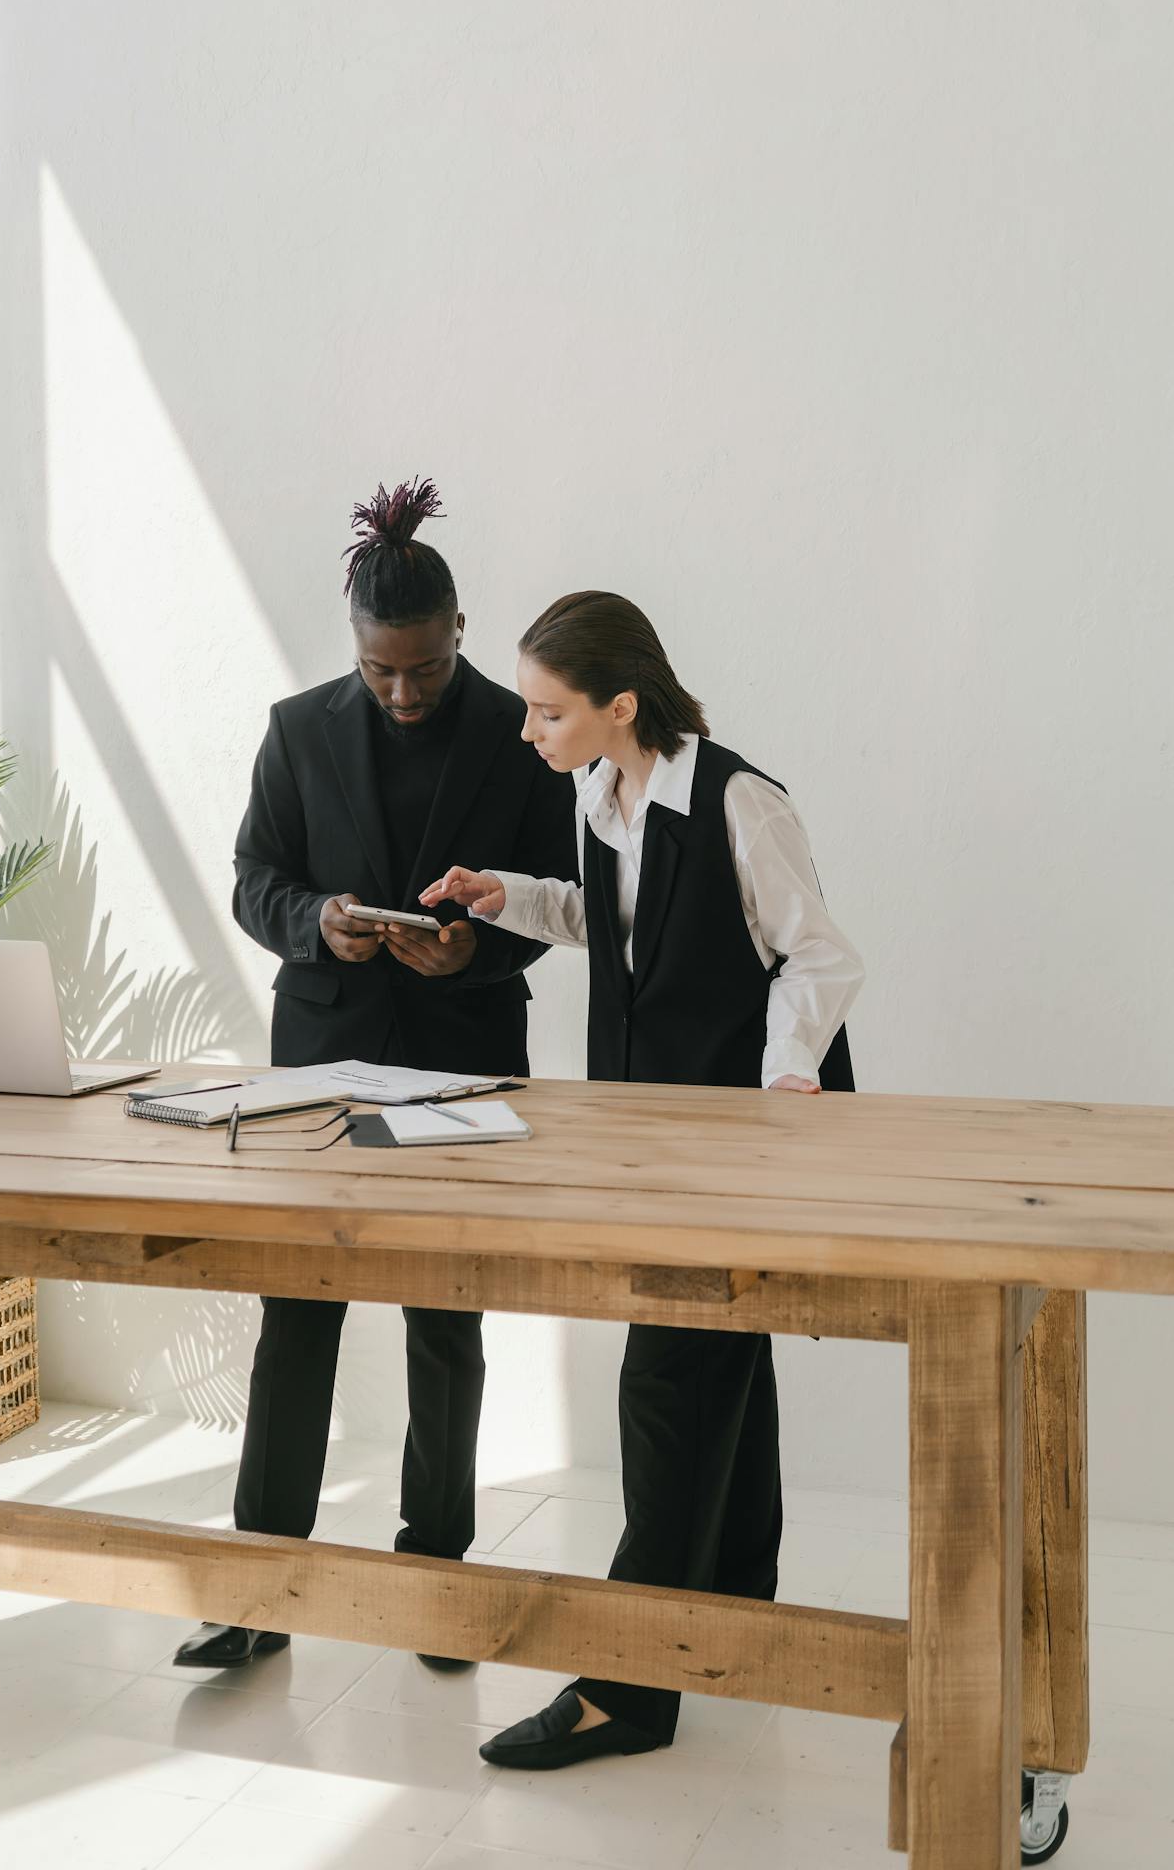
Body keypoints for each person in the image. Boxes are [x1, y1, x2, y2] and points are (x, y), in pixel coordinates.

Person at [420, 589, 863, 1764]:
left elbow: (817, 953)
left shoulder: (738, 799)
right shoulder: (598, 794)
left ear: (621, 704)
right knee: (719, 1353)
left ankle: (630, 1684)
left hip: (738, 1136)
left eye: (545, 709)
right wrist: (501, 894)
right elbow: (607, 922)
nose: (527, 730)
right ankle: (730, 1605)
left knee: (666, 1379)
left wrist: (779, 1086)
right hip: (647, 1135)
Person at [174, 481, 577, 1671]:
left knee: (444, 1318)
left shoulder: (519, 732)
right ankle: (257, 1585)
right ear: (353, 643)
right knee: (295, 1313)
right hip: (319, 1062)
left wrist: (471, 945)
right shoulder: (297, 729)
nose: (402, 691)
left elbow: (558, 895)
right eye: (379, 670)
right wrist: (316, 922)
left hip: (462, 1060)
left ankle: (437, 1572)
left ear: (457, 629)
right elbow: (255, 876)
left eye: (422, 669)